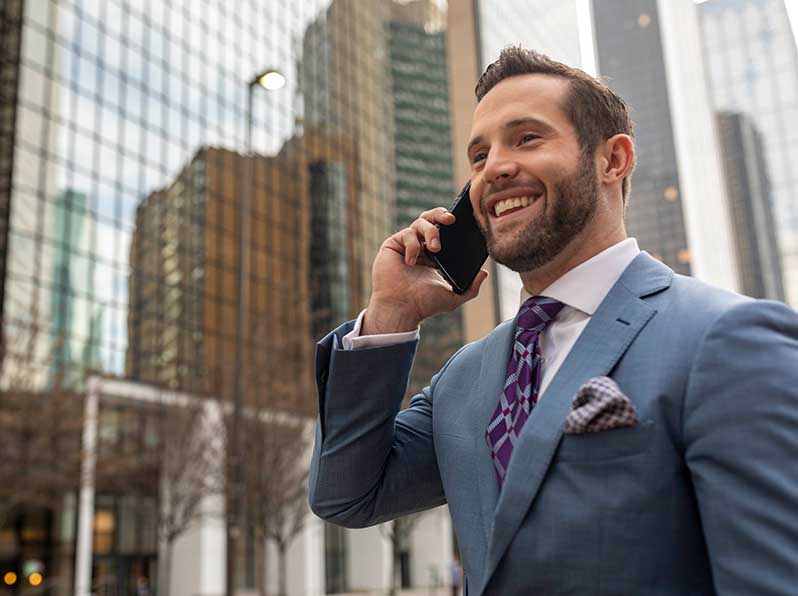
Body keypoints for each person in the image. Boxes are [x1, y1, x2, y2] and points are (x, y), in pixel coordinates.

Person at [307, 47, 798, 596]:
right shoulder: (464, 377)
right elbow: (346, 496)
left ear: (612, 160)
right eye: (479, 155)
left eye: (527, 138)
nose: (493, 167)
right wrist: (390, 314)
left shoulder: (729, 339)